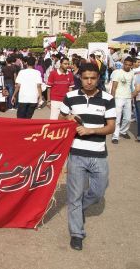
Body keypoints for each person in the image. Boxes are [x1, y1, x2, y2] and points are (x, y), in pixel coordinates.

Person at [58, 63, 116, 251]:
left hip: (99, 154)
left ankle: (79, 207)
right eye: (85, 78)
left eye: (93, 78)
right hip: (76, 154)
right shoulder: (70, 97)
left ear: (98, 78)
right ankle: (76, 233)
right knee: (74, 195)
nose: (89, 81)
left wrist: (91, 129)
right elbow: (59, 120)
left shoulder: (107, 99)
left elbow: (111, 127)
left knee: (98, 193)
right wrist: (67, 120)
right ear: (80, 78)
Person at [110, 56, 134, 143]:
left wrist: (132, 95)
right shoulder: (117, 72)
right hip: (118, 97)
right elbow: (114, 86)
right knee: (117, 118)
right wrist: (112, 98)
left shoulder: (132, 73)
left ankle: (123, 131)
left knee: (128, 118)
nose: (127, 66)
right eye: (126, 64)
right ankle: (115, 136)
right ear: (123, 63)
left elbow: (132, 85)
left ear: (131, 65)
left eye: (129, 65)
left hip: (128, 97)